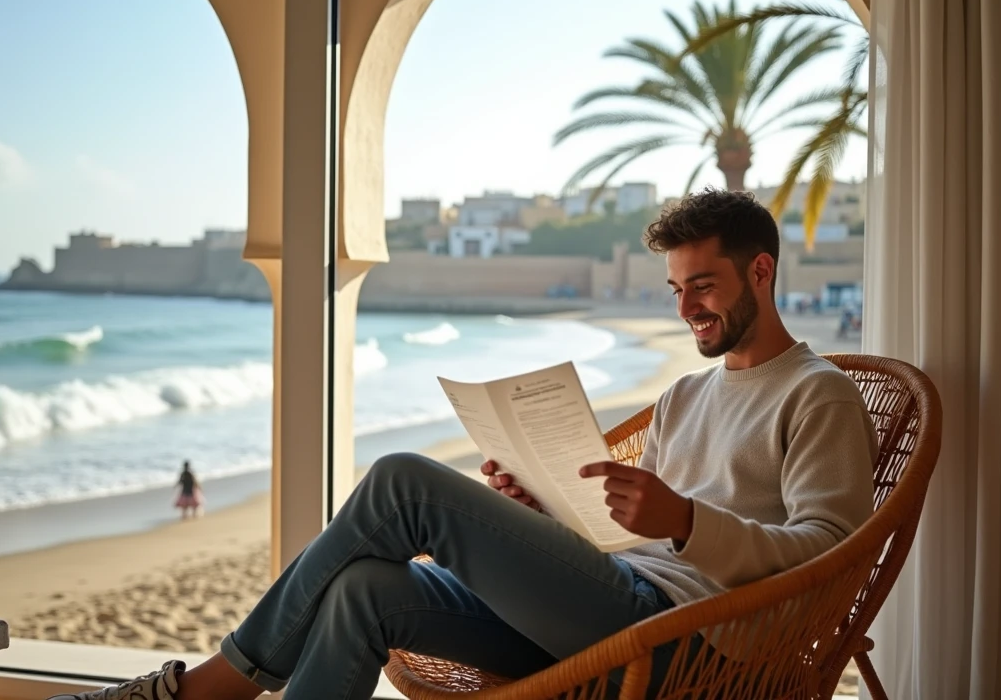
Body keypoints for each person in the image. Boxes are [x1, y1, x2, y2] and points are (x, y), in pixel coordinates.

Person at [48, 189, 877, 700]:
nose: (687, 307)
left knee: (403, 480)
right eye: (676, 288)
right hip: (612, 605)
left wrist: (689, 522)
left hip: (687, 647)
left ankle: (210, 687)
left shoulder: (818, 395)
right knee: (365, 587)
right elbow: (628, 538)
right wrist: (542, 510)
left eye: (704, 286)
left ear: (761, 273)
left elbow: (831, 556)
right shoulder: (686, 395)